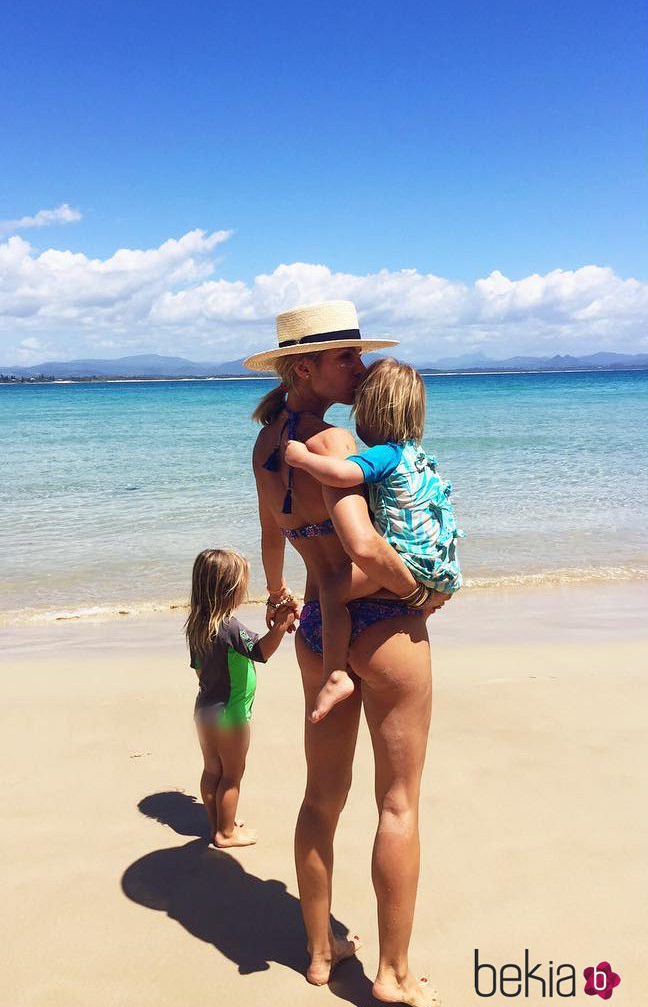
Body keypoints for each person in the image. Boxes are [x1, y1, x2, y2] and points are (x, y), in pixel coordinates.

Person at [244, 300, 447, 1006]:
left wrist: (275, 592)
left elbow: (275, 536)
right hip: (382, 623)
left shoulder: (267, 443)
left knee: (321, 798)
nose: (358, 370)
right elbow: (361, 549)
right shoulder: (332, 447)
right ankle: (393, 974)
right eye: (344, 358)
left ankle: (321, 954)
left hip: (315, 633)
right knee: (398, 804)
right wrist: (420, 590)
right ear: (305, 367)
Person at [285, 357, 463, 723]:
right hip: (437, 567)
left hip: (402, 567)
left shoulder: (383, 455)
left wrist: (302, 458)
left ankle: (335, 673)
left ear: (372, 411)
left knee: (333, 590)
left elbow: (342, 475)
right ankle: (423, 602)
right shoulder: (419, 458)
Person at [185, 548, 295, 849]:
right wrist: (283, 626)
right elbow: (261, 652)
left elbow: (198, 671)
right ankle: (226, 833)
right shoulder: (230, 627)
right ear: (230, 591)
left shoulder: (196, 626)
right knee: (232, 776)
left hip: (205, 712)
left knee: (212, 771)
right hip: (232, 716)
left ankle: (219, 821)